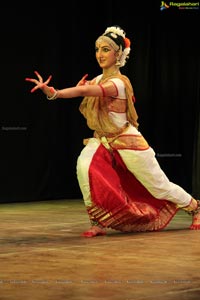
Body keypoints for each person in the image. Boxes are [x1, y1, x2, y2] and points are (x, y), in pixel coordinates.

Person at [25, 25, 200, 237]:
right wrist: (79, 91)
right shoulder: (99, 79)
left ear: (118, 54)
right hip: (102, 140)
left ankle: (194, 206)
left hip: (126, 140)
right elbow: (86, 91)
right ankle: (98, 221)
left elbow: (84, 90)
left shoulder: (118, 83)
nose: (100, 54)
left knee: (158, 186)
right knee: (84, 167)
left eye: (106, 49)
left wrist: (54, 93)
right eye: (98, 49)